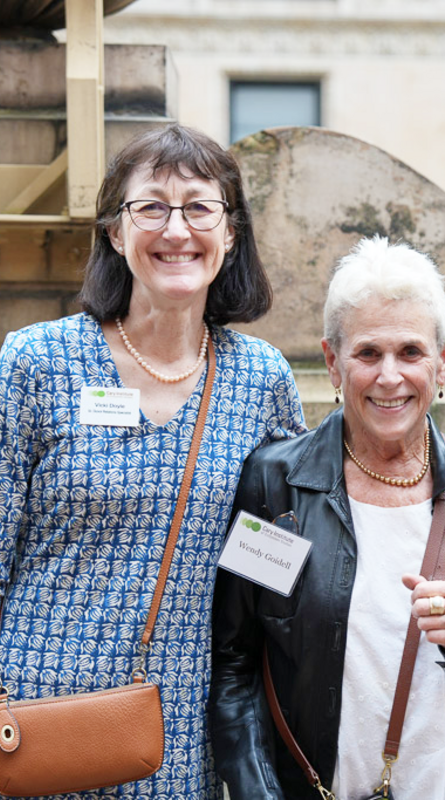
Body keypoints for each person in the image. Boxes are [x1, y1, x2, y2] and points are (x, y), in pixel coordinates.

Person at [0, 124, 305, 798]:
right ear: (115, 231)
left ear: (230, 233)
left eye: (199, 208)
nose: (176, 230)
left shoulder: (261, 379)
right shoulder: (35, 362)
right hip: (29, 720)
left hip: (175, 730)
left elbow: (272, 561)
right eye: (151, 207)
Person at [210, 235, 445, 800]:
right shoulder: (276, 487)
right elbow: (233, 667)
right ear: (333, 362)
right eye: (368, 353)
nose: (390, 376)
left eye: (411, 352)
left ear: (444, 361)